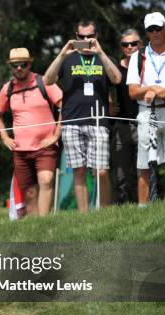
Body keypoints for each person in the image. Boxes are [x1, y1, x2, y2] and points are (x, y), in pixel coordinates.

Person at [43, 21, 122, 212]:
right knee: (78, 171)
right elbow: (47, 79)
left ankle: (104, 213)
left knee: (101, 171)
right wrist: (62, 53)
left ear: (96, 36)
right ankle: (84, 216)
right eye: (81, 37)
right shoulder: (67, 59)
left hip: (98, 120)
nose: (86, 40)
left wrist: (100, 53)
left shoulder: (104, 57)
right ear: (76, 36)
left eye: (90, 36)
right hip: (71, 122)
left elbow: (117, 79)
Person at [127, 12, 165, 206]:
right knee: (144, 165)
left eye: (158, 28)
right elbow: (132, 91)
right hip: (146, 112)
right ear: (146, 32)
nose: (155, 32)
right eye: (150, 29)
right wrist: (151, 89)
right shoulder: (138, 56)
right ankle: (143, 209)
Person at [0, 48, 63, 216]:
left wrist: (56, 135)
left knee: (46, 181)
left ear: (29, 64)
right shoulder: (7, 88)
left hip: (45, 146)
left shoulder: (44, 82)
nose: (19, 68)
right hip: (20, 150)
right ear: (10, 67)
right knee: (30, 192)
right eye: (15, 65)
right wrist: (4, 137)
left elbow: (64, 106)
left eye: (23, 65)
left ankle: (44, 222)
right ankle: (35, 229)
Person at [109, 29, 142, 204]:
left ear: (141, 45)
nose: (130, 47)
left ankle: (145, 207)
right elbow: (101, 84)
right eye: (125, 44)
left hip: (144, 123)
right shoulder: (115, 67)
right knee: (121, 174)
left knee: (143, 171)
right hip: (121, 124)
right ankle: (120, 208)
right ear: (121, 47)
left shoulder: (148, 65)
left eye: (134, 43)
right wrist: (108, 103)